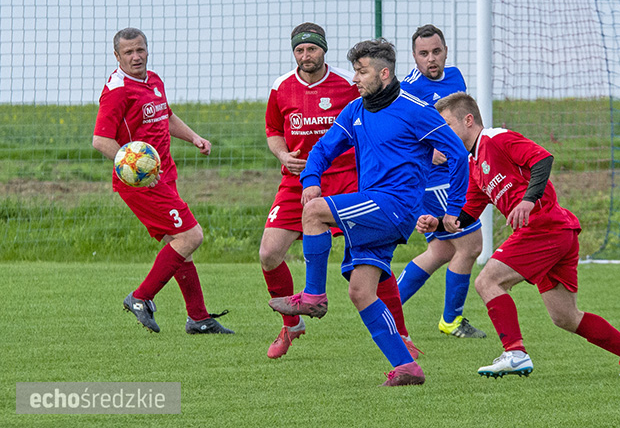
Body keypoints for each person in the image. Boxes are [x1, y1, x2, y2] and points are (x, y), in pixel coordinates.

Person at [269, 39, 470, 386]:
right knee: (361, 291)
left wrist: (454, 208)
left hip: (396, 205)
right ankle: (407, 367)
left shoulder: (415, 109)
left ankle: (314, 296)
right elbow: (323, 148)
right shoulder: (356, 110)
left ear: (384, 73)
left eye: (362, 72)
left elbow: (457, 153)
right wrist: (311, 179)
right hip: (375, 202)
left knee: (314, 213)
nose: (356, 79)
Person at [418, 92, 620, 378]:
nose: (441, 134)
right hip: (557, 232)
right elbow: (466, 214)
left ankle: (515, 353)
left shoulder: (497, 139)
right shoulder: (474, 164)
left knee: (488, 281)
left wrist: (528, 200)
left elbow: (542, 159)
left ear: (468, 120)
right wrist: (439, 225)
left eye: (445, 125)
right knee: (565, 317)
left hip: (545, 227)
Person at [261, 23, 419, 360]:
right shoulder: (281, 88)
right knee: (268, 254)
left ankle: (401, 334)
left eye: (312, 49)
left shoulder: (351, 83)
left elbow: (377, 114)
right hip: (299, 180)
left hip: (347, 178)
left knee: (371, 257)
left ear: (324, 50)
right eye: (300, 50)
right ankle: (291, 325)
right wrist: (281, 155)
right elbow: (273, 129)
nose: (306, 55)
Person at [92, 27, 233, 335]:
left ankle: (198, 318)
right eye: (128, 52)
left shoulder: (153, 80)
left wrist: (194, 137)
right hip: (142, 184)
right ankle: (141, 297)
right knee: (191, 236)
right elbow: (101, 140)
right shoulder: (117, 90)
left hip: (165, 175)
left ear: (147, 49)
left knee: (179, 243)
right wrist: (134, 169)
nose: (136, 56)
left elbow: (165, 117)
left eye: (140, 50)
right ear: (117, 56)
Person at [397, 24, 486, 339]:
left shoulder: (456, 77)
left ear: (446, 50)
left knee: (442, 251)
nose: (431, 59)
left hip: (452, 174)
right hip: (431, 181)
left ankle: (384, 306)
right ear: (414, 56)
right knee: (471, 245)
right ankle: (451, 320)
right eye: (423, 54)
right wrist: (428, 149)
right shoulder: (406, 89)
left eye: (436, 51)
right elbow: (397, 132)